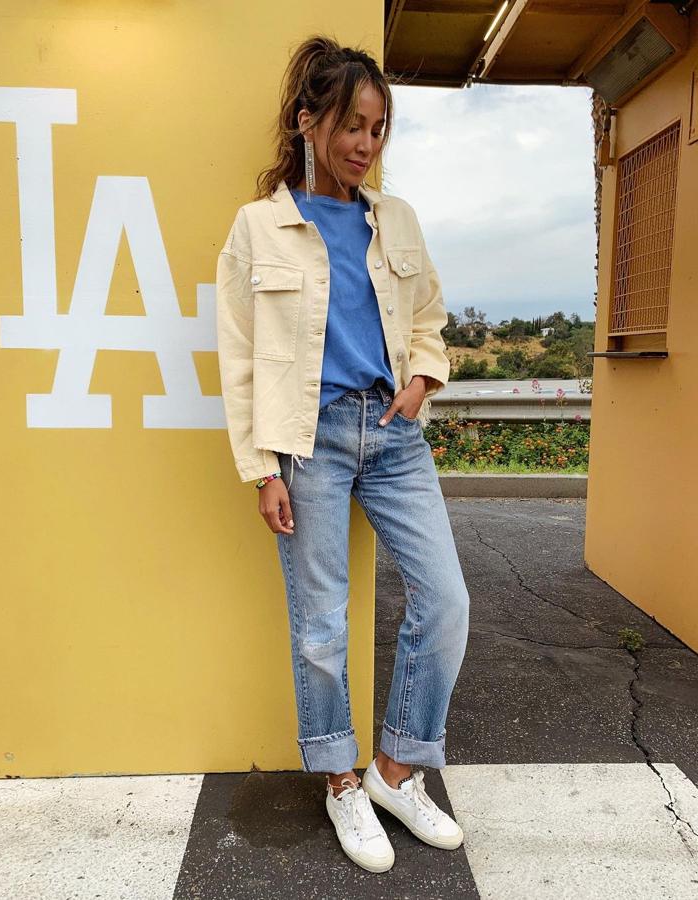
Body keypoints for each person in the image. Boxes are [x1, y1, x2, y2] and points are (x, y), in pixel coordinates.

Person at [216, 34, 470, 874]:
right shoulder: (259, 227)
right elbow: (240, 358)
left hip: (393, 435)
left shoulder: (395, 219)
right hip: (310, 442)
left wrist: (424, 379)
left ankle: (396, 770)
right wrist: (261, 471)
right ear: (308, 123)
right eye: (352, 125)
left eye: (379, 128)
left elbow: (430, 317)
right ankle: (340, 784)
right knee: (320, 625)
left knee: (446, 601)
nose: (366, 144)